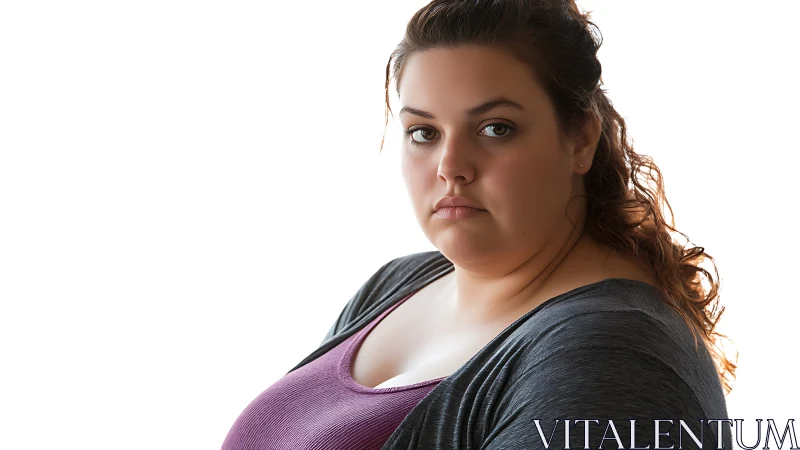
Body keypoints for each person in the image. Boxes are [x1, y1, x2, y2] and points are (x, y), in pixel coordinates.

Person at [220, 0, 737, 448]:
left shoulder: (613, 356)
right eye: (423, 132)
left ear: (580, 139)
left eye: (495, 128)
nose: (450, 166)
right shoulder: (396, 284)